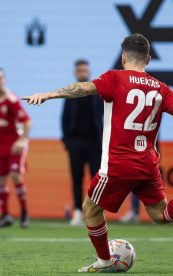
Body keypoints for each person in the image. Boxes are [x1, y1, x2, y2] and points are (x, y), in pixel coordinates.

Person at [22, 33, 173, 273]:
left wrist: (49, 94)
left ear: (123, 58)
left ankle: (104, 261)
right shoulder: (161, 88)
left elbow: (84, 88)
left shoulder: (114, 78)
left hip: (118, 164)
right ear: (149, 59)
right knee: (159, 214)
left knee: (90, 210)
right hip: (147, 164)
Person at [0, 67, 32, 228]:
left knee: (16, 177)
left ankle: (24, 213)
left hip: (14, 144)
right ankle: (5, 215)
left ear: (4, 80)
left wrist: (21, 141)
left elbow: (27, 121)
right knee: (0, 180)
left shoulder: (11, 100)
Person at [62, 60, 103, 226]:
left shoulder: (97, 92)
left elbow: (104, 117)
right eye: (79, 70)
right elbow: (64, 118)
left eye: (85, 70)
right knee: (76, 179)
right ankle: (78, 211)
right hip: (76, 143)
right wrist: (67, 141)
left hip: (95, 143)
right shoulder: (70, 93)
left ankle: (94, 213)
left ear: (89, 72)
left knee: (97, 179)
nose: (82, 73)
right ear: (75, 73)